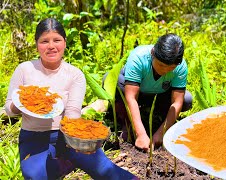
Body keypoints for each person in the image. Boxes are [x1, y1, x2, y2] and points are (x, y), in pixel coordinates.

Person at [5, 18, 138, 180]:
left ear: (65, 43)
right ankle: (61, 164)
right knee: (35, 176)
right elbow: (9, 110)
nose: (51, 46)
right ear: (36, 44)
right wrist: (20, 106)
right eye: (44, 41)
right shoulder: (24, 69)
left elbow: (73, 112)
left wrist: (80, 137)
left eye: (57, 40)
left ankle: (71, 157)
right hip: (33, 136)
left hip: (66, 135)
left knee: (104, 169)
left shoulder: (74, 74)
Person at [97, 33, 192, 151]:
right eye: (161, 65)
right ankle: (125, 122)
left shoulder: (180, 66)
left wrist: (161, 133)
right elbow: (131, 97)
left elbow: (177, 103)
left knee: (186, 100)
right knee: (116, 82)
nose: (165, 71)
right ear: (153, 53)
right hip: (133, 91)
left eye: (170, 68)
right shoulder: (139, 57)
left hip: (158, 95)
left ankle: (157, 120)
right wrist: (140, 134)